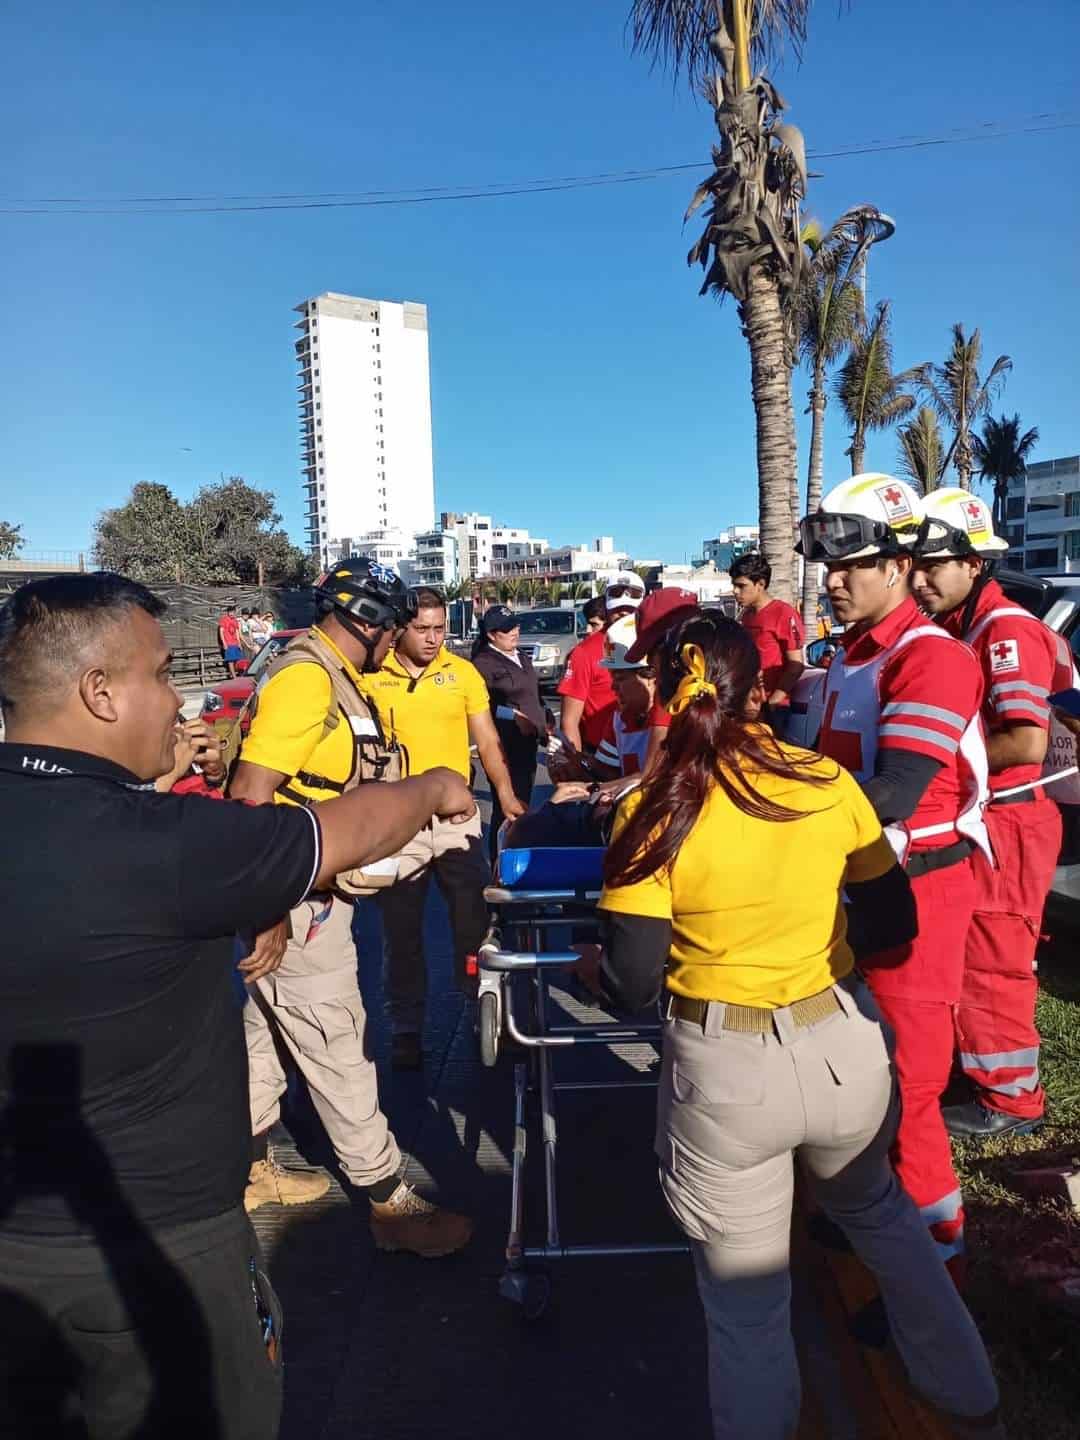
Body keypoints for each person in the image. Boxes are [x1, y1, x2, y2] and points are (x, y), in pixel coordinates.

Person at [0, 571, 475, 1439]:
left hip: (23, 1253)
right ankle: (383, 1197)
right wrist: (438, 787)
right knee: (331, 1041)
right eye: (157, 674)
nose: (181, 700)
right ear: (99, 692)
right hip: (159, 1247)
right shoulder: (168, 843)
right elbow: (318, 824)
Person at [594, 612, 1003, 1440]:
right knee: (885, 1219)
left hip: (727, 1072)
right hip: (842, 1049)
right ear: (758, 688)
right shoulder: (825, 781)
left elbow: (633, 983)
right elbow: (891, 921)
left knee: (748, 1306)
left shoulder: (652, 809)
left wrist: (587, 974)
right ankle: (974, 1404)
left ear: (673, 691)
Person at [230, 560, 473, 1254]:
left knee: (267, 1044)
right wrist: (272, 901)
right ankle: (389, 1203)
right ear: (368, 620)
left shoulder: (328, 672)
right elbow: (252, 792)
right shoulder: (310, 678)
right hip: (296, 900)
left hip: (297, 892)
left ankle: (248, 1173)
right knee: (338, 1045)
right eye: (394, 627)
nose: (397, 642)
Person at [797, 473, 989, 1278]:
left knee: (906, 1084)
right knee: (857, 1069)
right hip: (860, 887)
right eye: (826, 563)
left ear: (901, 563)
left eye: (852, 561)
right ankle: (878, 1220)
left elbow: (894, 792)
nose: (833, 579)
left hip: (924, 890)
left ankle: (941, 1263)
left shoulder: (930, 658)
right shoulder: (847, 657)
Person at [912, 489, 1072, 1139]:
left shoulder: (1002, 631)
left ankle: (1011, 1102)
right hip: (987, 816)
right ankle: (978, 1075)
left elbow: (1026, 742)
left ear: (974, 564)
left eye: (933, 565)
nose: (919, 579)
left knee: (993, 961)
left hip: (1008, 817)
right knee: (962, 955)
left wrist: (933, 769)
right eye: (911, 564)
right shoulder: (965, 630)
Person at [362, 587, 524, 1070]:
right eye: (422, 629)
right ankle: (406, 1028)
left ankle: (481, 1013)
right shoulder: (372, 677)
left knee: (472, 925)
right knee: (401, 933)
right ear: (400, 628)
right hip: (397, 824)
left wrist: (509, 798)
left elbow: (489, 740)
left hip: (456, 823)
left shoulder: (462, 674)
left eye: (440, 629)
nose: (434, 639)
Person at [469, 605, 547, 858]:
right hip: (504, 747)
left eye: (515, 625)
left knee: (524, 801)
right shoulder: (482, 664)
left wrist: (545, 717)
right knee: (507, 808)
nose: (514, 631)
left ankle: (518, 854)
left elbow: (533, 693)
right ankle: (500, 863)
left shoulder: (521, 656)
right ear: (491, 635)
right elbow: (481, 709)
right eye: (506, 629)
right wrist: (511, 715)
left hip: (528, 744)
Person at [557, 572, 647, 755]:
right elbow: (569, 721)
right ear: (606, 609)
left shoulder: (655, 644)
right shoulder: (584, 652)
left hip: (649, 749)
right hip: (601, 753)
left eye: (630, 608)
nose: (624, 612)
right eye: (617, 608)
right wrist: (578, 767)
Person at [729, 552, 805, 724]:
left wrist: (774, 701)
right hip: (748, 704)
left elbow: (796, 664)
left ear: (760, 584)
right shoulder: (746, 615)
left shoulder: (783, 613)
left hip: (772, 708)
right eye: (734, 585)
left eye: (741, 586)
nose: (735, 591)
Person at [218, 600, 244, 677]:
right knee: (230, 660)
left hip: (235, 643)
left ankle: (239, 675)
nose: (232, 613)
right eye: (230, 612)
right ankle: (234, 676)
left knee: (238, 660)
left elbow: (236, 632)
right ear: (228, 612)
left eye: (233, 612)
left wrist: (239, 643)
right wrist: (224, 643)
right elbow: (221, 632)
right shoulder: (224, 620)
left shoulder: (235, 621)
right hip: (228, 644)